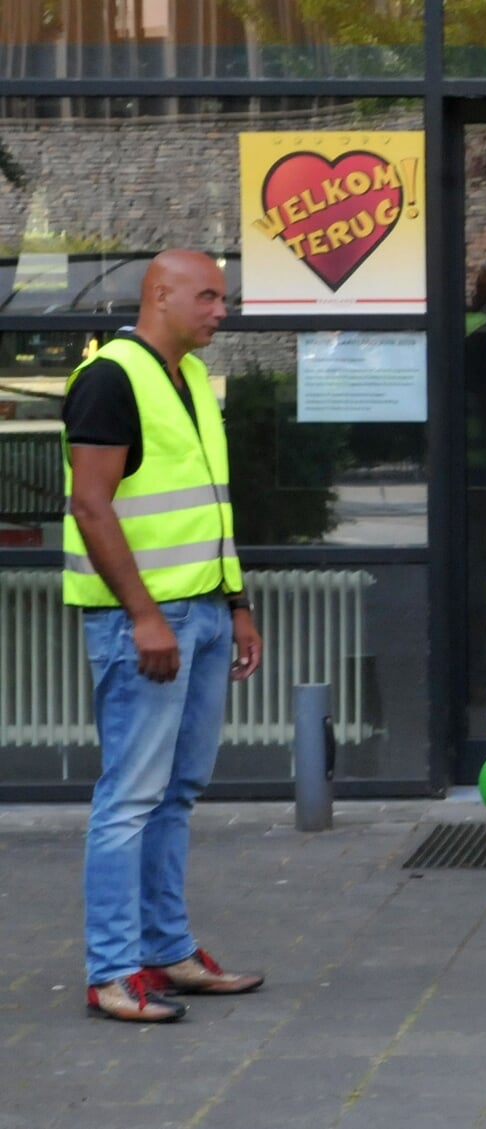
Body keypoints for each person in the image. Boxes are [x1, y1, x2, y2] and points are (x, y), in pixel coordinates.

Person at [62, 249, 266, 1023]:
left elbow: (210, 507)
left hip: (202, 613)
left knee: (174, 793)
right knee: (131, 797)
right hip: (143, 621)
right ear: (160, 294)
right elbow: (90, 505)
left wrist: (235, 603)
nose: (222, 310)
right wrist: (145, 613)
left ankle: (169, 951)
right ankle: (112, 971)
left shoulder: (186, 382)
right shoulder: (113, 377)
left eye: (224, 296)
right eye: (209, 296)